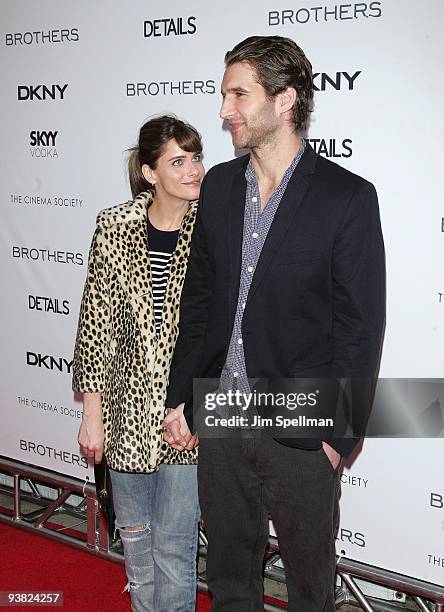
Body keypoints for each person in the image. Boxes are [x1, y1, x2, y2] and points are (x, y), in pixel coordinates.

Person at [163, 36, 386, 611]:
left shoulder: (347, 198)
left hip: (303, 425)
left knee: (310, 588)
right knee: (231, 581)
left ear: (284, 100)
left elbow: (360, 329)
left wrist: (339, 438)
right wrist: (181, 395)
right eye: (223, 95)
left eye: (239, 94)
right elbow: (199, 301)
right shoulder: (214, 189)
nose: (223, 110)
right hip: (221, 414)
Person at [72, 115, 205, 612]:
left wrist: (196, 406)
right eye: (178, 160)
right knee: (137, 547)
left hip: (182, 421)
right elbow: (95, 327)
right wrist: (92, 416)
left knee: (175, 552)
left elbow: (221, 331)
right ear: (149, 172)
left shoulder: (212, 226)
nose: (193, 169)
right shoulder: (114, 226)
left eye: (196, 157)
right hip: (124, 418)